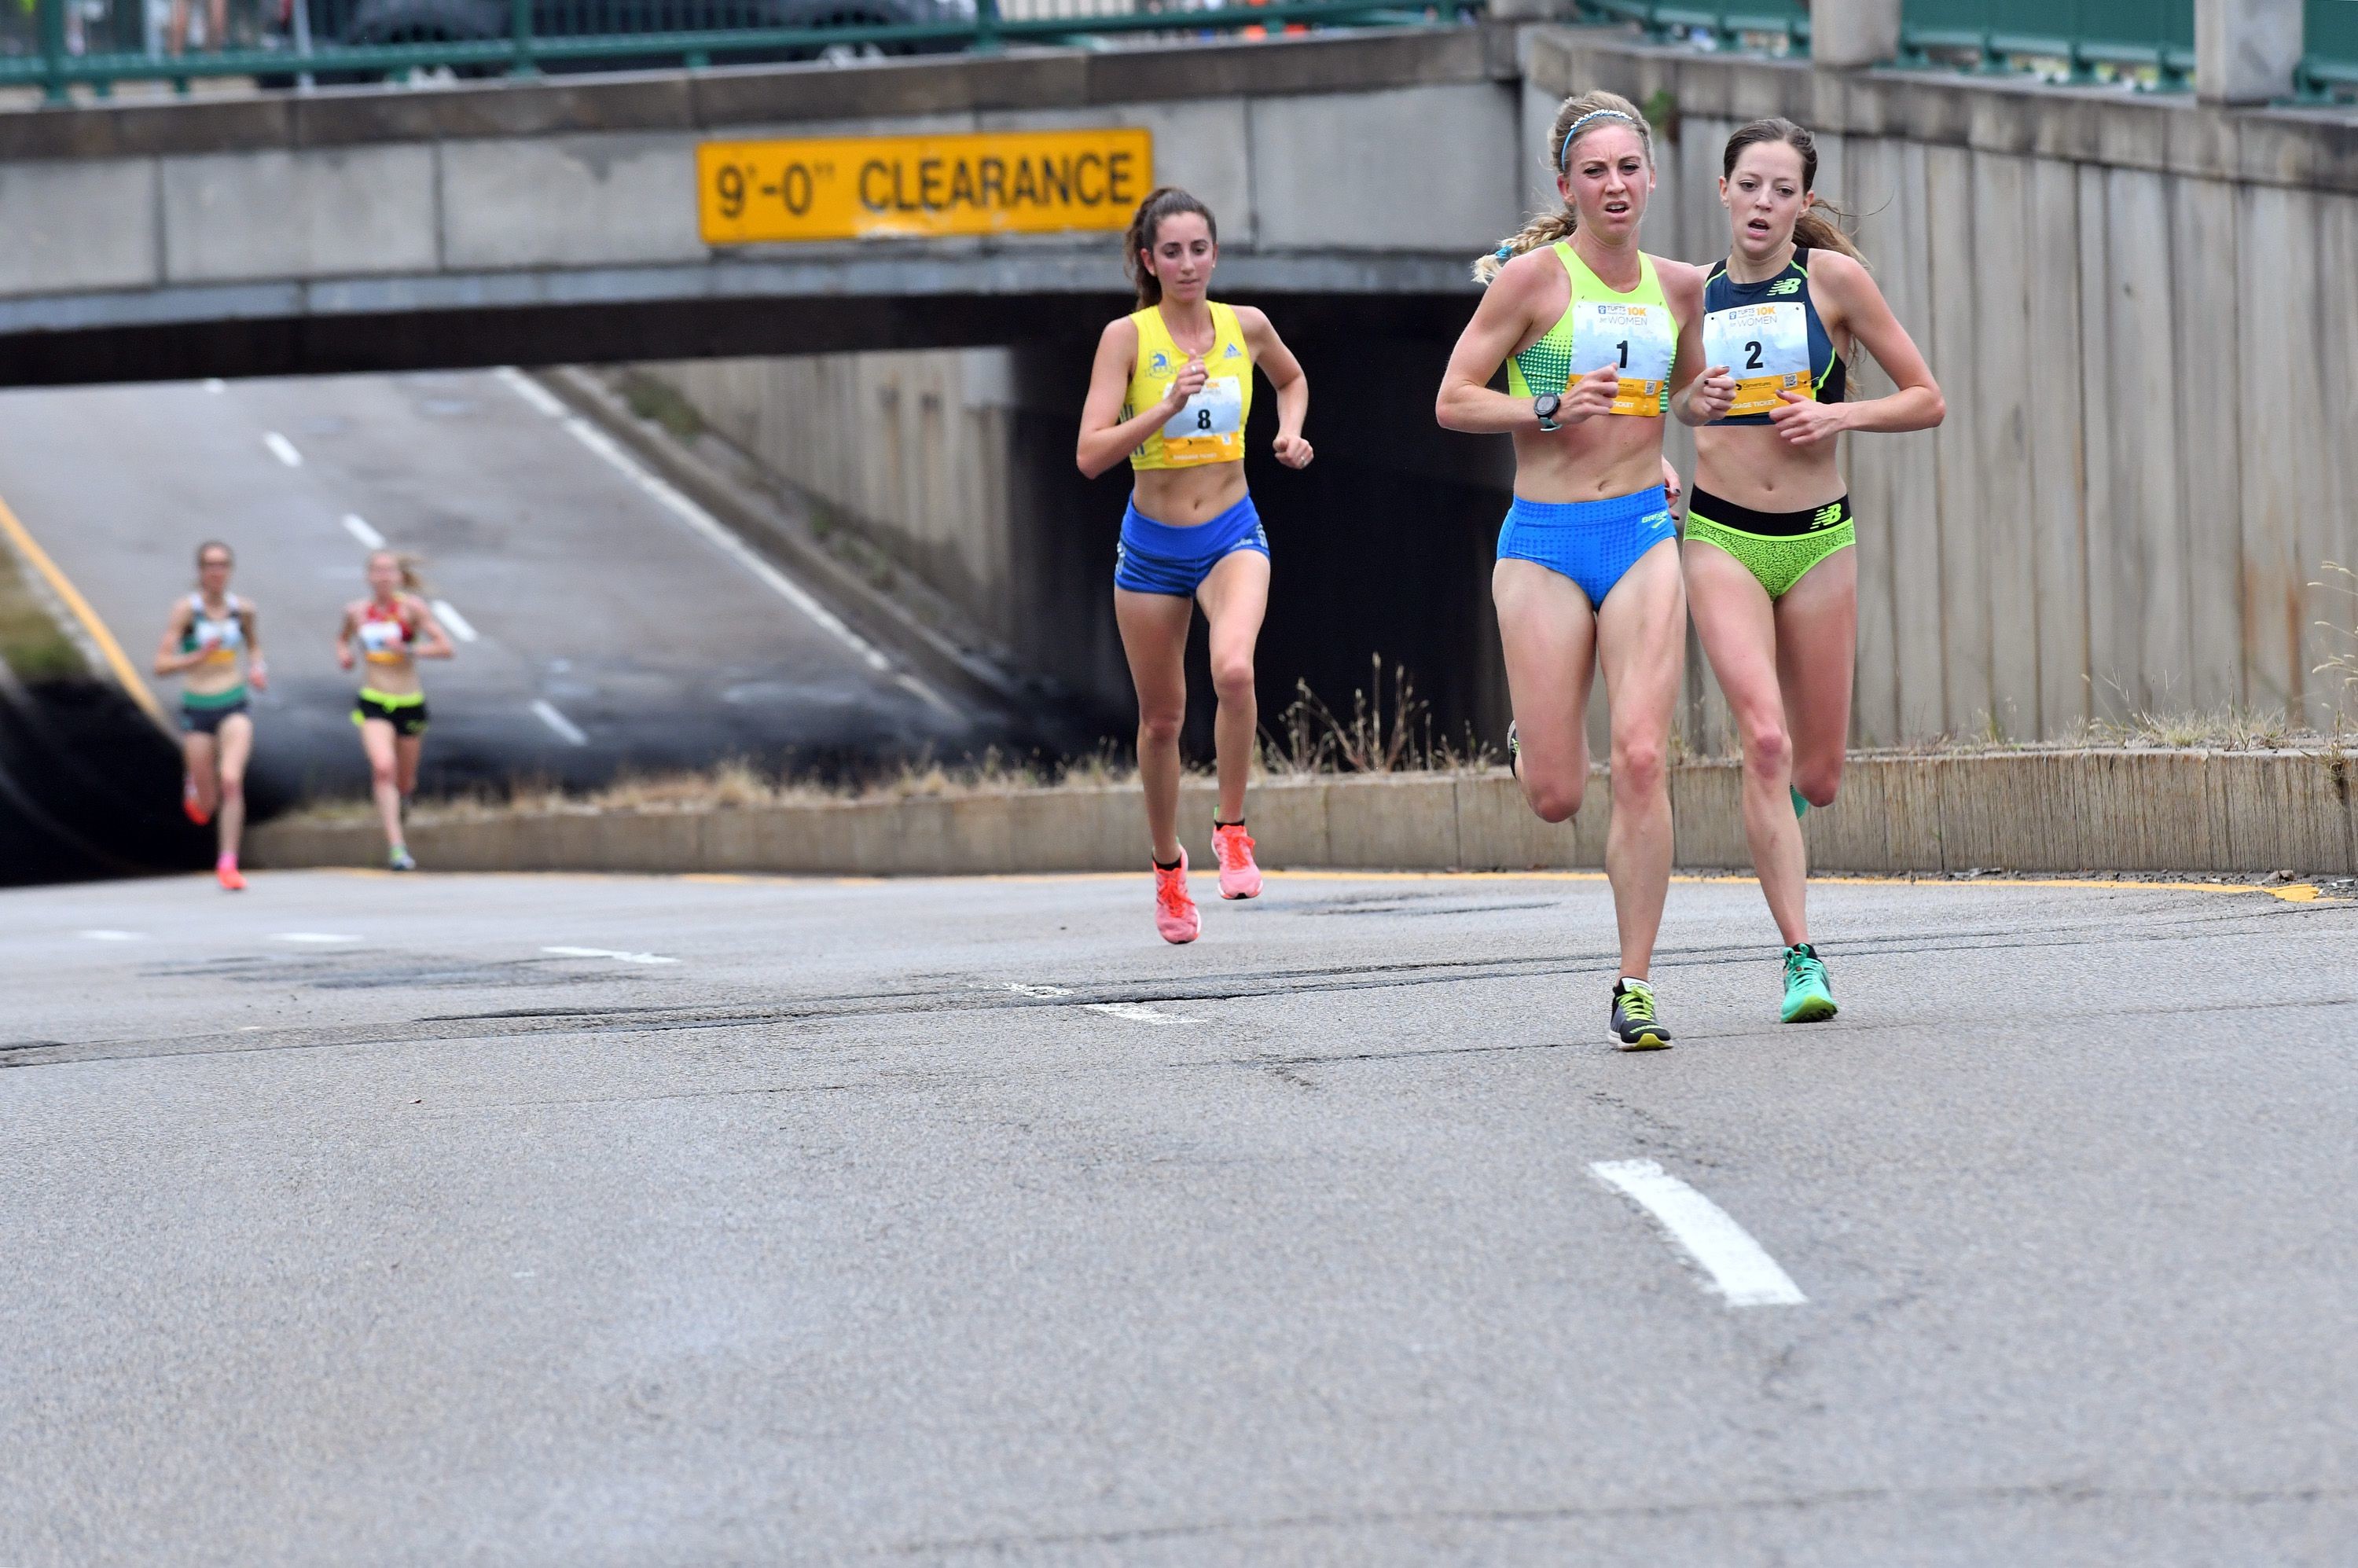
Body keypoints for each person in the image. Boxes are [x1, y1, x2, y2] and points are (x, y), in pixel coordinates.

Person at [1435, 90, 1729, 1050]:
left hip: (1640, 533)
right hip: (1545, 544)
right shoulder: (1530, 283)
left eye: (1628, 168)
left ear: (1653, 179)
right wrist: (1546, 407)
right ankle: (1536, 734)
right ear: (1566, 187)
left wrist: (1696, 415)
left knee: (1642, 757)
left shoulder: (1680, 287)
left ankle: (1634, 982)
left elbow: (1683, 395)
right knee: (1558, 794)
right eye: (1594, 171)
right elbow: (1453, 400)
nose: (1614, 185)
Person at [1686, 117, 1944, 1024]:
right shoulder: (1689, 293)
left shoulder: (1833, 282)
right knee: (1765, 741)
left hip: (1819, 539)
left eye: (1782, 190)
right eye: (1750, 185)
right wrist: (1690, 405)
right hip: (1719, 537)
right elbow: (1655, 402)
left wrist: (1839, 417)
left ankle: (1776, 822)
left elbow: (1927, 399)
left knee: (1820, 775)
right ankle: (1801, 956)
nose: (1763, 203)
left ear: (1803, 202)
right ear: (1723, 190)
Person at [1075, 186, 1313, 944]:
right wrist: (1162, 408)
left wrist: (1290, 432)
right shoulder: (1126, 339)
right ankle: (1168, 869)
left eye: (1199, 249)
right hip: (1151, 549)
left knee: (1235, 670)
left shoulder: (1247, 326)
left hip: (1232, 532)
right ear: (1149, 260)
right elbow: (1089, 454)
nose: (1187, 264)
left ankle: (1232, 829)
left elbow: (1291, 379)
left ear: (1215, 254)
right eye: (1172, 252)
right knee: (1162, 721)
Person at [152, 541, 265, 890]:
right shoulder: (187, 611)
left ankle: (228, 863)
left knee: (231, 778)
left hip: (233, 702)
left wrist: (257, 668)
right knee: (207, 804)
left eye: (222, 565)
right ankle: (195, 785)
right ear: (201, 571)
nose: (217, 572)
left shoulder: (243, 610)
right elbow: (161, 664)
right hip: (198, 706)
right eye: (210, 565)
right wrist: (197, 656)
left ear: (230, 570)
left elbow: (253, 646)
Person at [336, 551, 454, 872]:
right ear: (368, 576)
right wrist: (345, 655)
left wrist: (409, 649)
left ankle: (403, 799)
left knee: (405, 780)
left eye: (389, 570)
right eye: (377, 570)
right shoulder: (357, 612)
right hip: (374, 699)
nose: (384, 576)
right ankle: (397, 847)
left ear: (400, 577)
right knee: (383, 767)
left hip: (409, 701)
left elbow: (446, 648)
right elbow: (342, 640)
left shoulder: (412, 609)